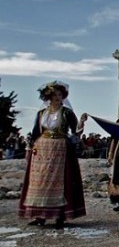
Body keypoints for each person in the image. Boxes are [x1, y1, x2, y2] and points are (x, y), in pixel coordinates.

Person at [18, 81, 87, 229]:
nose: (58, 97)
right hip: (41, 149)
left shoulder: (67, 113)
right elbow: (36, 132)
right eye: (55, 95)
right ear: (48, 97)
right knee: (40, 181)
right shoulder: (41, 113)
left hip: (60, 149)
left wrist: (81, 122)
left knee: (59, 182)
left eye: (60, 95)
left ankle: (59, 216)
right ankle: (39, 215)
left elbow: (75, 130)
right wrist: (30, 148)